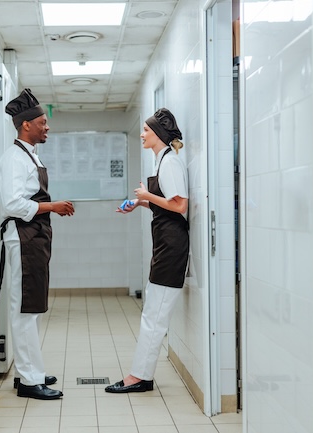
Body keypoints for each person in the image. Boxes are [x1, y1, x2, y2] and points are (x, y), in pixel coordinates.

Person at [0, 88, 74, 400]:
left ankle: (29, 372)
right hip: (23, 237)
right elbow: (12, 204)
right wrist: (52, 206)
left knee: (32, 306)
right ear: (26, 125)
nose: (47, 127)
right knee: (25, 308)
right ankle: (30, 381)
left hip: (34, 237)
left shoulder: (30, 155)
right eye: (42, 122)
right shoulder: (15, 159)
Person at [106, 107, 189, 394]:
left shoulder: (170, 163)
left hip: (172, 245)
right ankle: (139, 375)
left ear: (159, 134)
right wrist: (140, 202)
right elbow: (165, 202)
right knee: (152, 312)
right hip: (165, 243)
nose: (142, 134)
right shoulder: (162, 160)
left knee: (154, 316)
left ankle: (139, 377)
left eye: (146, 130)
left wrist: (146, 195)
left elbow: (180, 205)